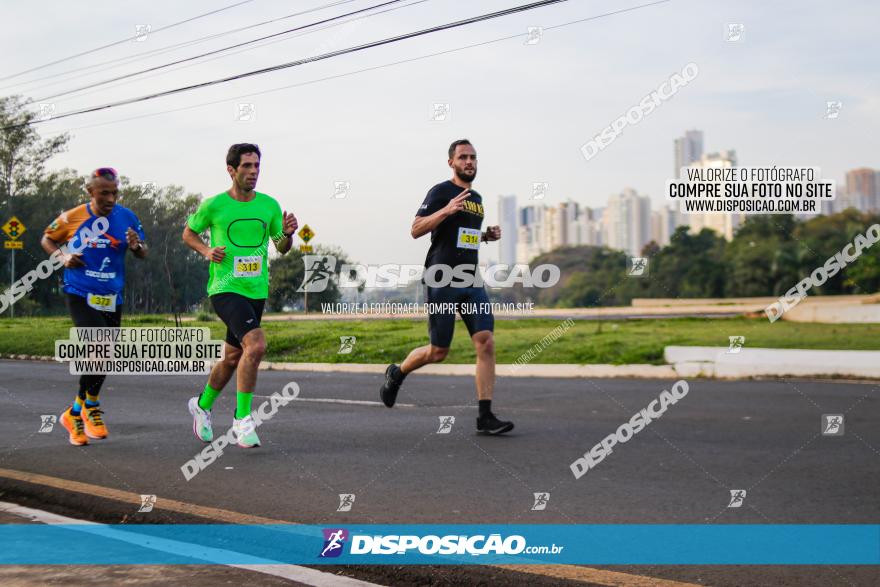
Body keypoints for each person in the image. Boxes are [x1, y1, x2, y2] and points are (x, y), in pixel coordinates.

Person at [379, 139, 514, 435]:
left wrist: (485, 237)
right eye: (463, 157)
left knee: (486, 341)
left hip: (471, 279)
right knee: (439, 351)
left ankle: (485, 416)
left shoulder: (476, 198)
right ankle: (397, 374)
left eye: (473, 157)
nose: (469, 162)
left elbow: (462, 237)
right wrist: (446, 210)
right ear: (451, 162)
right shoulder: (441, 192)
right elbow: (416, 229)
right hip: (441, 278)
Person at [183, 143, 297, 448]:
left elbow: (281, 247)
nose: (253, 172)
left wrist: (288, 234)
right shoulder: (214, 205)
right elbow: (188, 233)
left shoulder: (269, 206)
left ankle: (202, 406)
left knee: (234, 356)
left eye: (257, 166)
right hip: (225, 288)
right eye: (247, 166)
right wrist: (207, 250)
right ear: (231, 170)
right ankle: (242, 419)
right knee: (256, 344)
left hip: (256, 290)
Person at [41, 167, 148, 445]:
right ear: (90, 192)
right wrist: (63, 257)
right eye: (104, 193)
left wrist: (136, 247)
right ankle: (78, 411)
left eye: (114, 193)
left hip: (112, 296)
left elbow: (143, 252)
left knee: (105, 353)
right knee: (98, 344)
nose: (110, 198)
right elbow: (47, 239)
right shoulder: (73, 217)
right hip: (80, 292)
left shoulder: (127, 217)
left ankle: (84, 408)